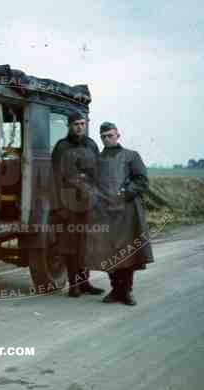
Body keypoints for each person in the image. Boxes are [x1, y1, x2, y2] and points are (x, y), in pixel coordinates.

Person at [85, 121, 154, 305]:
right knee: (108, 253)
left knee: (127, 254)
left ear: (118, 135)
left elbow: (142, 180)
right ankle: (115, 289)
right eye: (103, 136)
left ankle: (126, 291)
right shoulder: (96, 160)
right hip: (104, 214)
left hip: (127, 214)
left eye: (110, 135)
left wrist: (125, 192)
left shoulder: (131, 156)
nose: (107, 139)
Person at [51, 111, 105, 298]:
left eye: (82, 123)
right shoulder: (61, 147)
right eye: (76, 124)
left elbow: (98, 174)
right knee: (71, 245)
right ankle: (74, 285)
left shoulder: (91, 145)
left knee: (86, 244)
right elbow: (55, 178)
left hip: (89, 204)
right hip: (69, 205)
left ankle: (85, 283)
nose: (80, 127)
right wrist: (60, 207)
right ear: (69, 125)